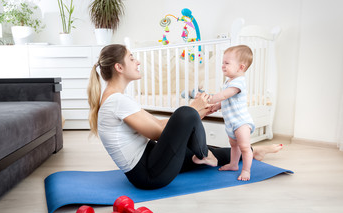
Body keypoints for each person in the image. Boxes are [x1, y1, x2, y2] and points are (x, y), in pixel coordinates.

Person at [87, 44, 282, 190]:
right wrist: (192, 110)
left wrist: (201, 111)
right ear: (119, 67)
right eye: (131, 58)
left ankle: (252, 151)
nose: (137, 62)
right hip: (148, 174)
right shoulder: (117, 101)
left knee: (197, 138)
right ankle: (206, 155)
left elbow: (158, 123)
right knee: (185, 113)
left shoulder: (118, 99)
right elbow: (159, 133)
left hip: (151, 159)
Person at [196, 45, 255, 181]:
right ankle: (234, 164)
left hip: (241, 122)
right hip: (231, 122)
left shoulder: (238, 83)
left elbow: (224, 95)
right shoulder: (229, 81)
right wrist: (216, 106)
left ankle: (246, 170)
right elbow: (226, 101)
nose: (223, 66)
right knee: (234, 145)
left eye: (227, 63)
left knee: (245, 147)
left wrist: (209, 99)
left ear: (241, 67)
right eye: (223, 62)